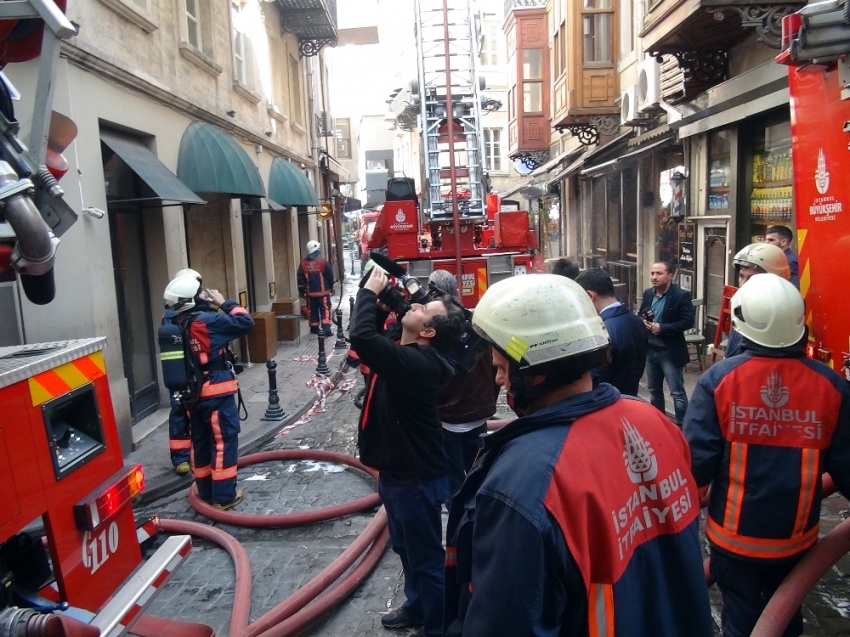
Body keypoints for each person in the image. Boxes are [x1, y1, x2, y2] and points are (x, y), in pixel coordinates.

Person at [444, 274, 714, 637]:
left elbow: (506, 620)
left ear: (534, 372)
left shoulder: (524, 482)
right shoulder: (654, 422)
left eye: (503, 367)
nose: (499, 380)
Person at [684, 273, 850, 637]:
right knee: (786, 611)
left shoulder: (720, 380)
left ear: (741, 323)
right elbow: (846, 464)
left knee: (741, 618)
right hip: (796, 540)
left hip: (732, 541)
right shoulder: (831, 386)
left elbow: (696, 462)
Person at [350, 265, 465, 637]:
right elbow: (374, 342)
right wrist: (389, 303)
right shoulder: (409, 352)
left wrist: (368, 292)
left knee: (427, 559)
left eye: (423, 310)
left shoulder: (417, 364)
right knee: (405, 549)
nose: (414, 307)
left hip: (415, 481)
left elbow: (363, 337)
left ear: (428, 331)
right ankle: (416, 607)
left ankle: (437, 627)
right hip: (398, 474)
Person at [162, 275, 254, 510]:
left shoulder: (173, 323)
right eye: (200, 292)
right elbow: (245, 322)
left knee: (200, 441)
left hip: (192, 396)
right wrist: (224, 302)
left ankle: (205, 491)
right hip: (216, 394)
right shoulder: (207, 321)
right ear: (192, 299)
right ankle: (224, 496)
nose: (205, 295)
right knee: (223, 442)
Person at [428, 269, 498, 504]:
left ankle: (459, 531)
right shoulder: (477, 326)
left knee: (454, 485)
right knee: (478, 475)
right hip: (479, 418)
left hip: (448, 423)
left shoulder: (434, 335)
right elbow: (495, 370)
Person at [575, 266, 648, 396]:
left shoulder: (601, 331)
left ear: (589, 296)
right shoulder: (637, 321)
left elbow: (595, 382)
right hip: (629, 400)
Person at [638, 261, 694, 425]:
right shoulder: (648, 293)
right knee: (654, 390)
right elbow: (641, 313)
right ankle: (659, 424)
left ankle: (682, 426)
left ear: (670, 276)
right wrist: (644, 322)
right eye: (652, 273)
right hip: (650, 350)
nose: (654, 277)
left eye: (659, 273)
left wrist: (662, 328)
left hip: (669, 351)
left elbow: (688, 321)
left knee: (677, 393)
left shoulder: (680, 296)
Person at [166, 267, 203, 476]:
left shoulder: (171, 315)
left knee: (180, 411)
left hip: (181, 373)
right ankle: (183, 457)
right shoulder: (180, 315)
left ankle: (183, 457)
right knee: (184, 411)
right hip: (189, 372)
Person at [725, 242, 790, 358]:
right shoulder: (743, 308)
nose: (744, 284)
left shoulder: (781, 315)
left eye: (752, 278)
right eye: (741, 276)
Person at [297, 240, 335, 335]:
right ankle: (326, 329)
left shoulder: (303, 263)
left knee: (312, 310)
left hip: (310, 293)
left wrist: (302, 291)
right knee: (325, 309)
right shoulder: (323, 262)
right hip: (323, 293)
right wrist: (331, 287)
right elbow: (330, 276)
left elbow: (300, 279)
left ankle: (314, 328)